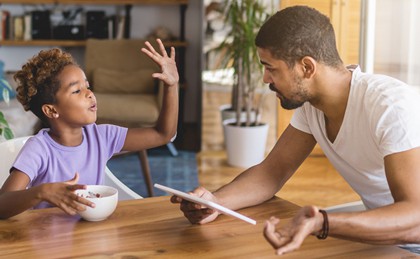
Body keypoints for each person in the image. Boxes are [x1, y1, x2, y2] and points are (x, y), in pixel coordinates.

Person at [171, 5, 420, 255]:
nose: (266, 79)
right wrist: (216, 202)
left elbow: (416, 217)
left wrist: (323, 223)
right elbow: (272, 172)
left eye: (271, 68)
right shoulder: (313, 106)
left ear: (307, 68)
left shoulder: (390, 107)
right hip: (389, 239)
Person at [0, 38, 179, 219]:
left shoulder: (101, 136)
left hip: (88, 237)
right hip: (46, 241)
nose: (89, 94)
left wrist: (171, 86)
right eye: (77, 91)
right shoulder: (39, 149)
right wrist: (41, 192)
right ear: (51, 110)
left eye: (87, 86)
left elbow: (162, 134)